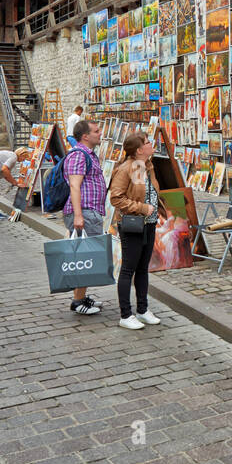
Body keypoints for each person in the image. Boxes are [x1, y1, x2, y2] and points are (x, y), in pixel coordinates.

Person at [109, 134, 165, 330]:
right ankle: (125, 314)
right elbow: (116, 198)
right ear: (139, 150)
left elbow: (148, 193)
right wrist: (142, 208)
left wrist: (158, 211)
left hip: (148, 224)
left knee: (143, 268)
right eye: (148, 143)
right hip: (133, 223)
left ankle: (142, 310)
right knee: (128, 269)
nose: (152, 145)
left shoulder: (145, 166)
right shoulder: (127, 168)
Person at [63, 119, 108, 317]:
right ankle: (77, 301)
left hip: (90, 212)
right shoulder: (78, 155)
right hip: (85, 212)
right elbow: (75, 185)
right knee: (86, 258)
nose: (100, 133)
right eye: (96, 131)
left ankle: (81, 297)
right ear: (85, 136)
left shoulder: (89, 154)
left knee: (86, 257)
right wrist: (79, 215)